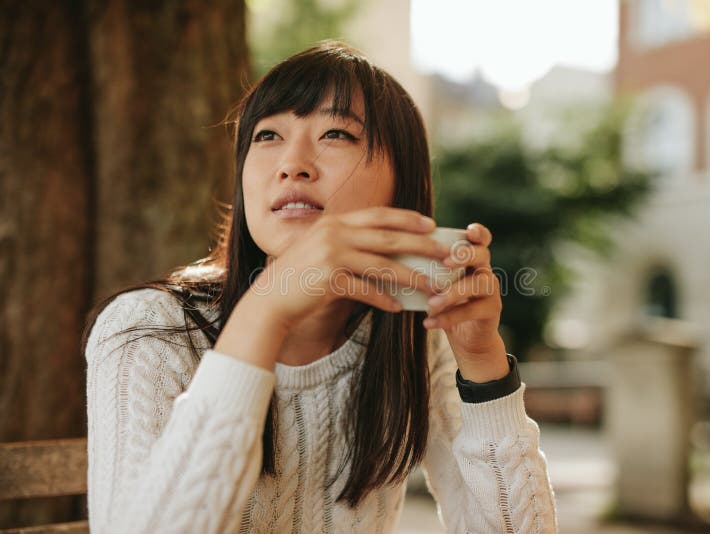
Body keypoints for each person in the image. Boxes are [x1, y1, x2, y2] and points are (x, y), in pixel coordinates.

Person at [82, 40, 557, 533]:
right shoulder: (148, 329)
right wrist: (267, 310)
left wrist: (483, 366)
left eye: (335, 133)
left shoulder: (416, 338)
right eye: (267, 136)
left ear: (403, 185)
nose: (292, 164)